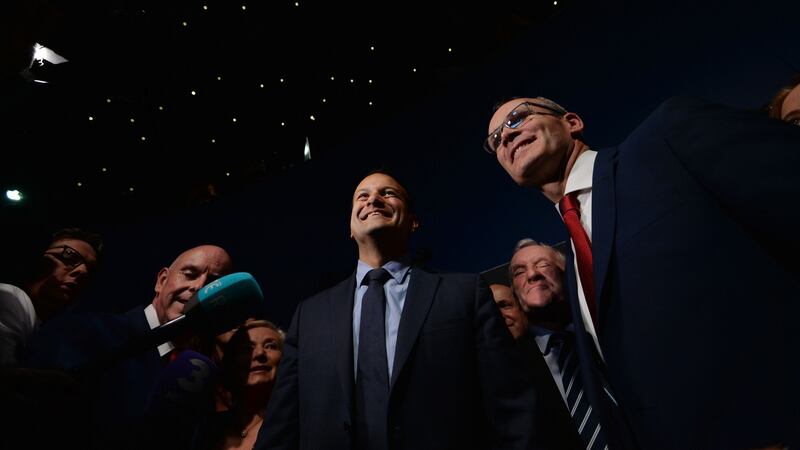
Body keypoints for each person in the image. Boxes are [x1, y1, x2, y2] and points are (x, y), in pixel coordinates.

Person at [485, 95, 800, 449]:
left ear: (571, 122)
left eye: (517, 118)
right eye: (495, 140)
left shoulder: (665, 142)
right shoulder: (571, 263)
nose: (506, 137)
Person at [256, 171, 538, 450]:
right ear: (350, 229)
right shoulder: (310, 316)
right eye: (362, 196)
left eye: (388, 193)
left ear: (413, 222)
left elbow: (510, 406)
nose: (374, 200)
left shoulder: (464, 293)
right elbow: (282, 424)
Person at [24, 244, 234, 449]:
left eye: (212, 284)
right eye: (190, 274)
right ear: (161, 281)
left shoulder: (198, 375)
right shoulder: (82, 332)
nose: (199, 287)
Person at [0, 227, 102, 365]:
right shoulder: (9, 296)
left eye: (90, 270)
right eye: (70, 256)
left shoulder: (50, 333)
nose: (82, 271)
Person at [195, 319, 284, 450]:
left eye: (270, 346)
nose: (259, 353)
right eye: (247, 348)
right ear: (230, 365)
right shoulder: (207, 429)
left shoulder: (297, 423)